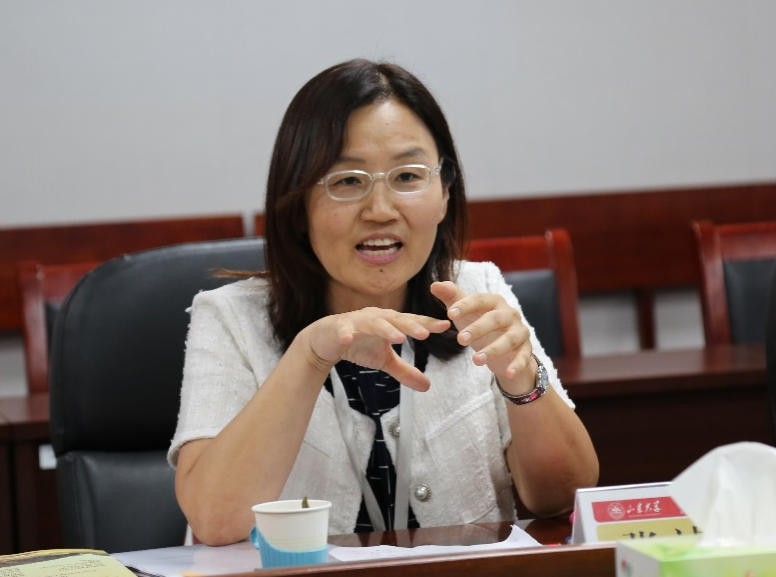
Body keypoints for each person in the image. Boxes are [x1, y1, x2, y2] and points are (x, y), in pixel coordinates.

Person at [168, 58, 598, 546]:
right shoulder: (231, 318)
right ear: (298, 204)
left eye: (408, 176)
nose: (380, 210)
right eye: (347, 181)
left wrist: (522, 382)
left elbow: (562, 498)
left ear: (445, 193)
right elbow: (216, 522)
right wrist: (310, 356)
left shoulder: (478, 290)